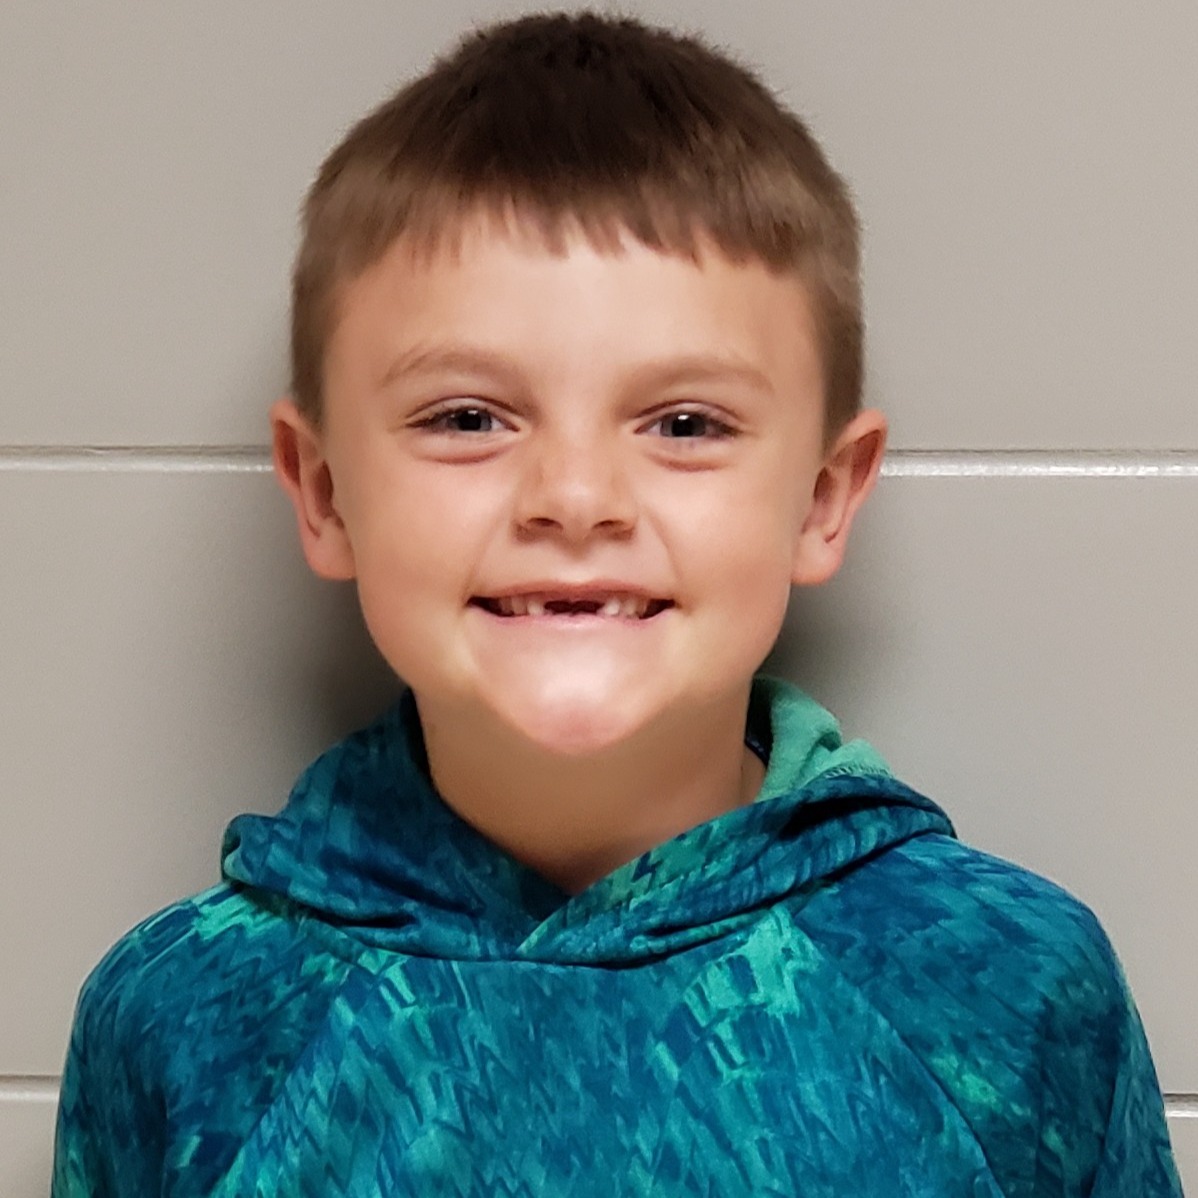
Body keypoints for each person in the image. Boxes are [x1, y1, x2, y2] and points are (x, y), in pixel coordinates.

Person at [51, 11, 1183, 1196]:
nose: (575, 498)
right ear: (325, 490)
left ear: (821, 499)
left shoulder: (999, 985)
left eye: (684, 425)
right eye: (467, 417)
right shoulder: (186, 1017)